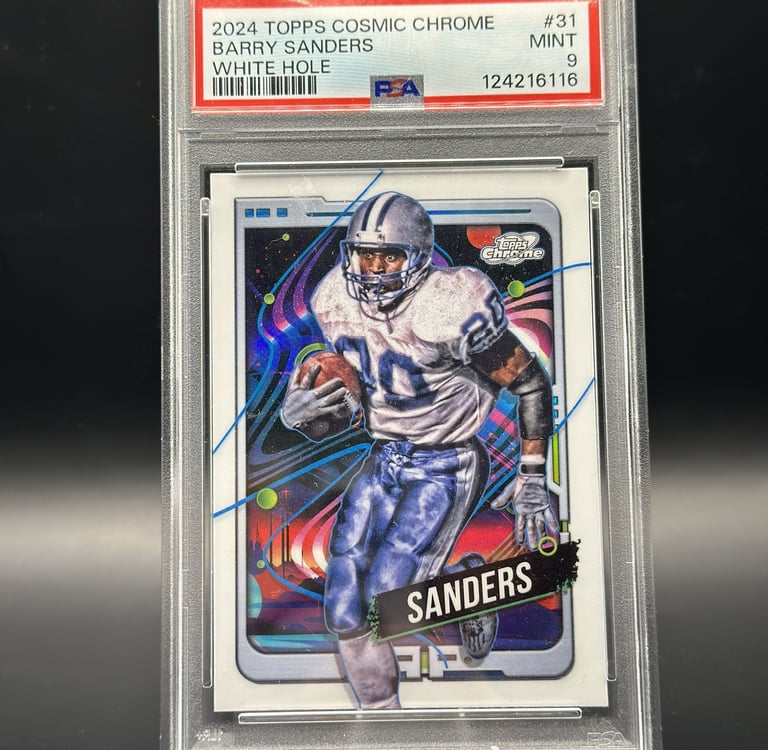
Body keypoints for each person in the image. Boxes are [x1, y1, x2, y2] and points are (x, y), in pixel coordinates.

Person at [280, 191, 558, 709]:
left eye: (390, 256)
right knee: (344, 610)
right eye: (365, 255)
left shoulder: (450, 306)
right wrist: (297, 416)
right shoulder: (333, 299)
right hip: (385, 457)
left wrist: (533, 476)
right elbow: (353, 405)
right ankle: (381, 718)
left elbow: (531, 384)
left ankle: (468, 588)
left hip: (447, 461)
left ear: (419, 258)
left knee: (388, 601)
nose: (374, 269)